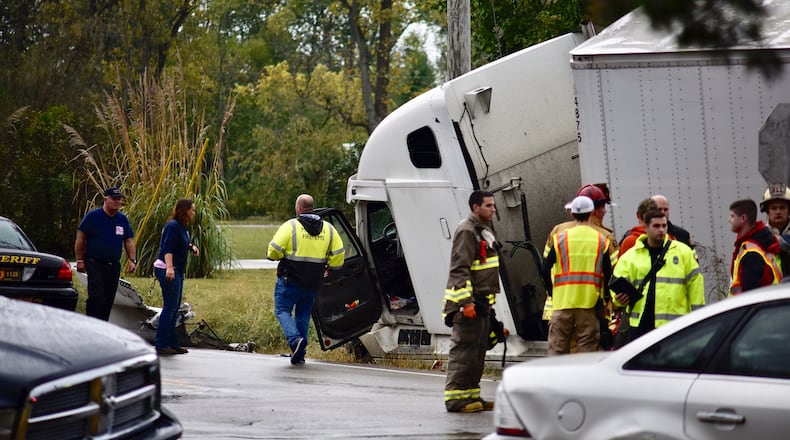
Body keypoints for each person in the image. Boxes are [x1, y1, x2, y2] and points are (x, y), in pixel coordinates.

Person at [267, 194, 345, 365]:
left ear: (298, 208)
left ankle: (295, 341)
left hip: (290, 281)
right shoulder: (329, 229)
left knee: (282, 310)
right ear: (312, 207)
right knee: (302, 315)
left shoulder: (291, 226)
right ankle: (299, 354)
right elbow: (339, 255)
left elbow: (273, 251)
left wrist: (280, 255)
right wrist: (329, 266)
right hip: (313, 283)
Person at [442, 190, 500, 413]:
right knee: (464, 351)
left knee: (477, 352)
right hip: (468, 304)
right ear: (475, 207)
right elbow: (460, 270)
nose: (493, 209)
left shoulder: (483, 229)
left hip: (483, 302)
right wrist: (466, 303)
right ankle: (456, 399)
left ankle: (471, 395)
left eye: (493, 205)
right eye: (488, 206)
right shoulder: (467, 231)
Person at [613, 209, 704, 342]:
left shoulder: (683, 252)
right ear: (646, 228)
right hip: (640, 325)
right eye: (656, 226)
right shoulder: (631, 256)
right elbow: (616, 285)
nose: (661, 230)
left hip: (674, 326)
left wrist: (697, 320)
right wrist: (618, 299)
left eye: (664, 225)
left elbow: (696, 288)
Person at [542, 196, 616, 355]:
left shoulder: (560, 238)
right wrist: (606, 298)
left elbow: (545, 268)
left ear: (573, 214)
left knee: (557, 348)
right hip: (588, 304)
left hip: (562, 303)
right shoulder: (602, 240)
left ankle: (554, 380)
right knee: (586, 350)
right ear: (591, 213)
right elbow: (608, 274)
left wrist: (551, 291)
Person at [74, 187, 137, 321]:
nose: (117, 202)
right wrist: (80, 259)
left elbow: (129, 240)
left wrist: (132, 260)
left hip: (113, 265)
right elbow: (80, 237)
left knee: (108, 298)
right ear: (105, 199)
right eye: (114, 199)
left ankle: (103, 324)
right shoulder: (93, 216)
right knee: (97, 296)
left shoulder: (122, 219)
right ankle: (92, 322)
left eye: (119, 199)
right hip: (95, 263)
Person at [153, 199, 199, 355]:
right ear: (184, 210)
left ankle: (173, 343)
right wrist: (170, 268)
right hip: (167, 269)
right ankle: (161, 344)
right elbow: (167, 248)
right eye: (192, 210)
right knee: (170, 307)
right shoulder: (173, 226)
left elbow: (180, 243)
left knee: (174, 307)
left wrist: (190, 246)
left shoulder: (182, 226)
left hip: (177, 269)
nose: (194, 212)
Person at [729, 199, 782, 295]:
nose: (729, 220)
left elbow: (750, 297)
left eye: (732, 216)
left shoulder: (751, 254)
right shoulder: (758, 243)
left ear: (743, 218)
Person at [759, 184, 790, 274]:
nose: (778, 212)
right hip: (771, 288)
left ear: (789, 210)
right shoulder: (759, 236)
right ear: (767, 211)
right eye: (773, 208)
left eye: (782, 207)